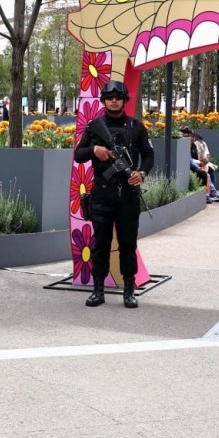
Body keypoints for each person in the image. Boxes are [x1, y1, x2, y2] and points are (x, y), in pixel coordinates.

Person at [75, 80, 154, 308]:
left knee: (128, 244)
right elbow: (79, 155)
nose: (114, 100)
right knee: (101, 243)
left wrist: (141, 173)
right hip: (102, 193)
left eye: (118, 97)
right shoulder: (94, 127)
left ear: (125, 100)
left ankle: (129, 290)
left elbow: (149, 156)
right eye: (109, 97)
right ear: (104, 100)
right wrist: (94, 149)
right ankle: (98, 290)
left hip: (128, 195)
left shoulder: (136, 127)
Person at [180, 126, 219, 203]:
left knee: (210, 170)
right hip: (190, 166)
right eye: (189, 137)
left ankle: (211, 194)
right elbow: (189, 160)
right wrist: (198, 165)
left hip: (197, 164)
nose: (192, 138)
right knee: (204, 174)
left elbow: (205, 156)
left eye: (192, 136)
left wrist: (202, 162)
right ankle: (210, 194)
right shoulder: (184, 145)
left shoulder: (195, 145)